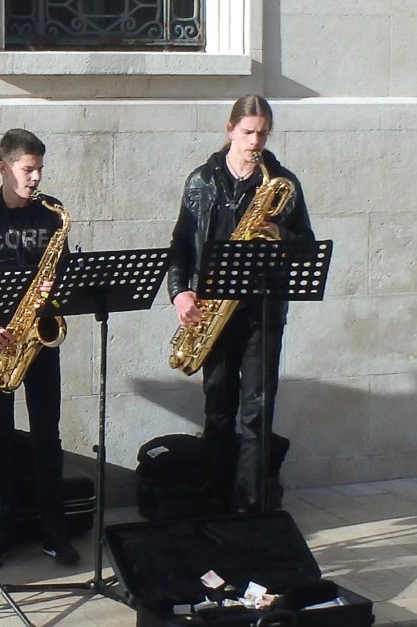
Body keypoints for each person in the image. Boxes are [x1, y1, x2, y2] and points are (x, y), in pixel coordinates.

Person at [167, 94, 315, 513]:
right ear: (229, 129)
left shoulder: (282, 183)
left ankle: (250, 507)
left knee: (256, 413)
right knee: (217, 411)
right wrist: (180, 291)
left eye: (263, 133)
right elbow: (181, 243)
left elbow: (306, 246)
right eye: (248, 132)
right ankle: (215, 502)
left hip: (262, 311)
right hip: (213, 311)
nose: (255, 142)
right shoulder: (201, 180)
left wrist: (279, 234)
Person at [0, 128, 79, 569]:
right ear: (3, 167)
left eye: (40, 168)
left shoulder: (51, 215)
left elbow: (69, 278)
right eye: (27, 169)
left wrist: (55, 288)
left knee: (48, 437)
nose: (36, 177)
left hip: (40, 338)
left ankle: (54, 530)